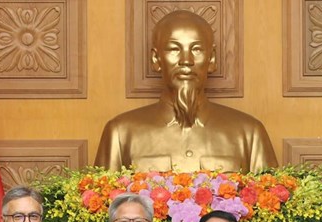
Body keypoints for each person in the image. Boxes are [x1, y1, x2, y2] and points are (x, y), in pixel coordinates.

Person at [94, 10, 278, 173]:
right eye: (174, 49)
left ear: (212, 59)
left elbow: (270, 198)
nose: (186, 60)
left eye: (196, 49)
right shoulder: (120, 133)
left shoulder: (249, 133)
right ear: (156, 59)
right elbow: (104, 198)